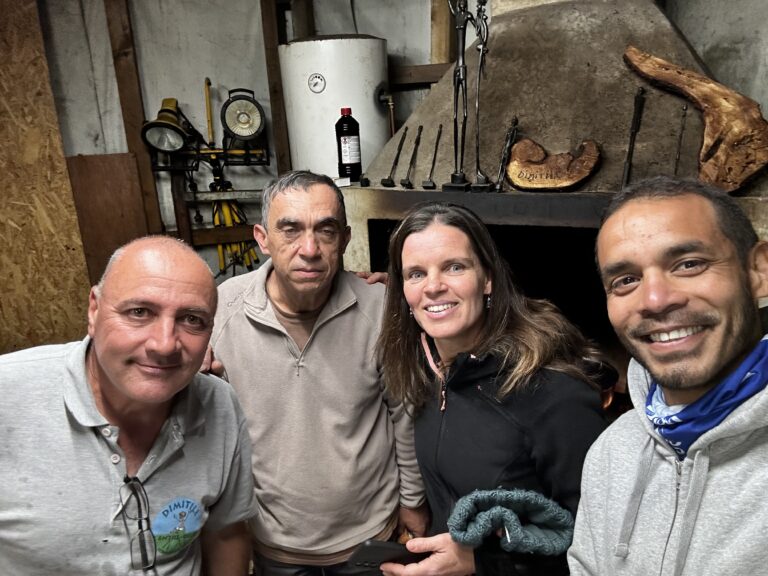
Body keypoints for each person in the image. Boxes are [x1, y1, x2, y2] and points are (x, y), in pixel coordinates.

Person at [210, 170, 427, 575]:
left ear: (344, 239)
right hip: (275, 546)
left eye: (325, 231)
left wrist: (413, 500)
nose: (309, 249)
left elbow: (405, 412)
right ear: (262, 238)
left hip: (371, 536)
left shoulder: (380, 308)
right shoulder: (222, 311)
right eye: (290, 230)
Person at [376, 202, 608, 576]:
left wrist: (481, 562)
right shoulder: (426, 368)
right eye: (416, 274)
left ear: (487, 279)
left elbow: (599, 542)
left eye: (454, 267)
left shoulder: (554, 393)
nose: (433, 286)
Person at [0, 236, 256, 575]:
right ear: (94, 310)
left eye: (192, 319)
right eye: (139, 312)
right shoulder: (9, 396)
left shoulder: (218, 405)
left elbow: (225, 533)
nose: (164, 344)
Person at [567, 176, 768, 575]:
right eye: (626, 280)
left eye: (689, 264)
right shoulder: (612, 451)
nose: (656, 300)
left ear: (758, 271)